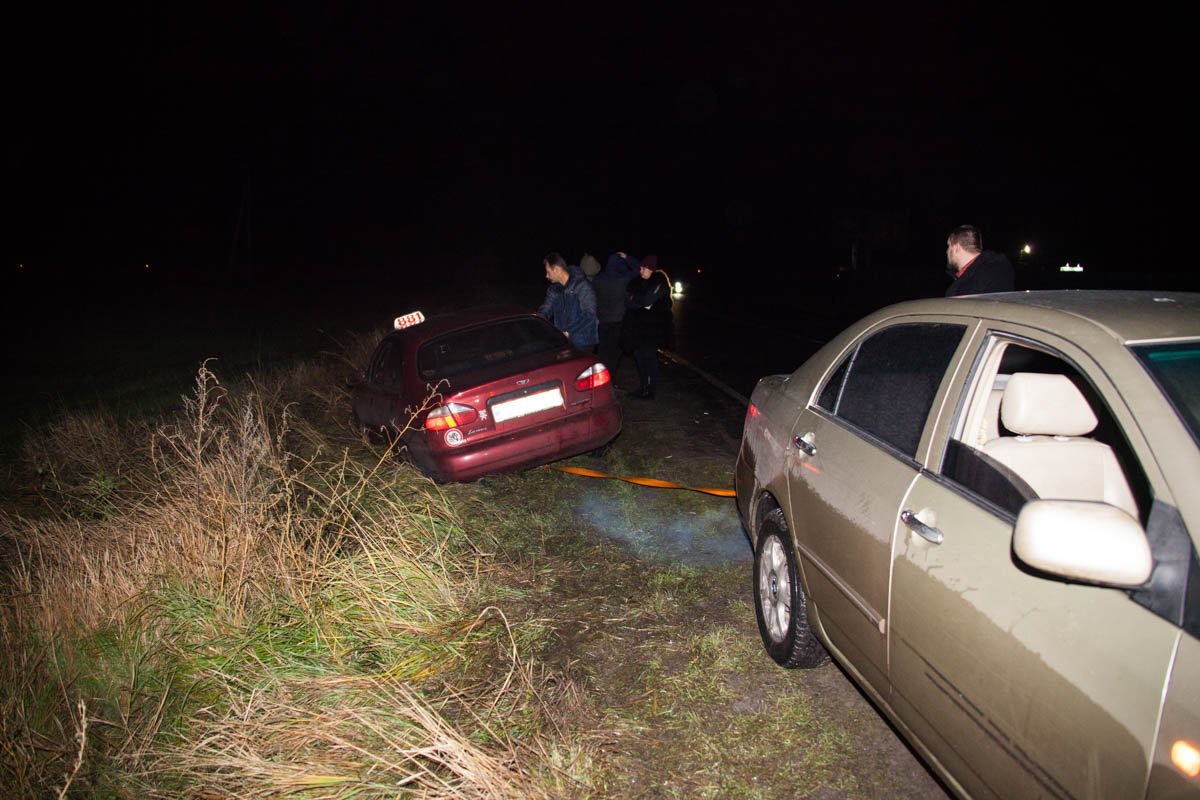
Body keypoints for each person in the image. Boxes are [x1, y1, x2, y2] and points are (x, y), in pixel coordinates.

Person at [622, 254, 673, 399]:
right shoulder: (637, 283)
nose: (641, 271)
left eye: (644, 268)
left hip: (652, 330)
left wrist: (637, 301)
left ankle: (650, 390)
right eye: (640, 268)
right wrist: (640, 303)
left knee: (649, 358)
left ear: (651, 269)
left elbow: (646, 300)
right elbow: (628, 302)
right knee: (639, 358)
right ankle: (643, 387)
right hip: (638, 329)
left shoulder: (659, 282)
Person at [538, 251, 598, 348]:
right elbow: (546, 308)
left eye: (548, 272)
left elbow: (590, 315)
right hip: (563, 341)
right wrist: (537, 319)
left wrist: (569, 331)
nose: (546, 276)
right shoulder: (553, 289)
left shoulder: (582, 286)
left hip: (583, 341)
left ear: (557, 270)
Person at [593, 251, 638, 375]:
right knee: (614, 353)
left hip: (602, 321)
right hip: (618, 322)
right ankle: (611, 378)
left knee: (603, 351)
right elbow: (638, 269)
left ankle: (601, 377)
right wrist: (627, 257)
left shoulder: (598, 279)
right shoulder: (623, 279)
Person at [945, 224, 1015, 296]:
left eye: (949, 246)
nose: (947, 251)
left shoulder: (986, 277)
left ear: (957, 248)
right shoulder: (993, 271)